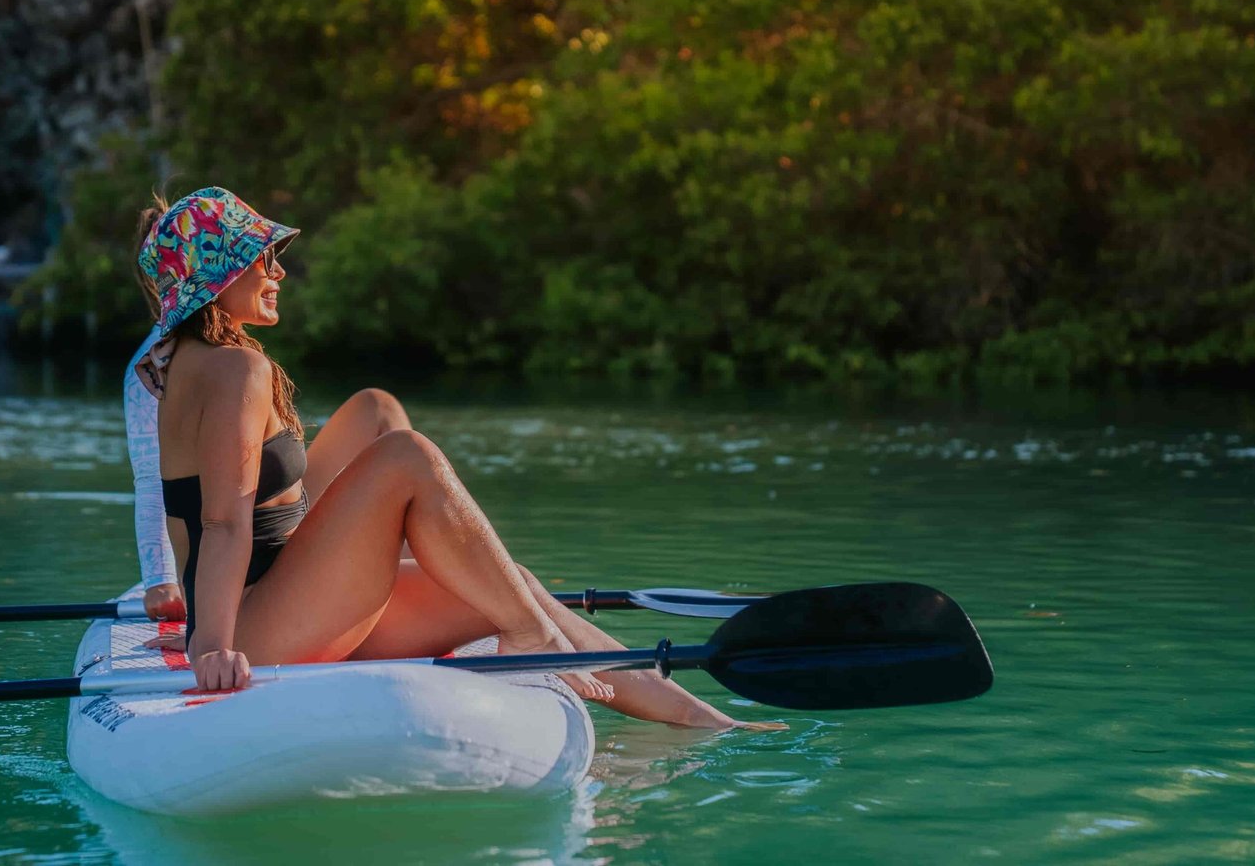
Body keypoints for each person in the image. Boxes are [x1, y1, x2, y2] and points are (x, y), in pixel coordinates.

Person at [126, 185, 780, 729]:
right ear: (220, 274)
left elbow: (205, 518)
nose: (279, 272)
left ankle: (700, 719)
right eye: (263, 257)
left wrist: (207, 626)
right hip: (261, 627)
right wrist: (213, 647)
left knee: (511, 581)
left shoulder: (185, 364)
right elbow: (221, 522)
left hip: (280, 603)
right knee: (406, 456)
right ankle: (533, 637)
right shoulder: (235, 370)